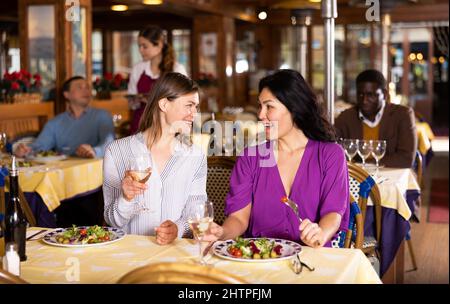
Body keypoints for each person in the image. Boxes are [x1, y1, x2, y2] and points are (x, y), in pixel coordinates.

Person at [204, 69, 349, 248]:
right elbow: (239, 218)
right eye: (260, 106)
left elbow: (334, 213)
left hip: (310, 259)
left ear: (294, 109)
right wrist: (221, 233)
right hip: (259, 260)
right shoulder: (250, 158)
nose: (260, 115)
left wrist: (320, 233)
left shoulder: (330, 155)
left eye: (269, 106)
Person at [103, 72, 206, 245]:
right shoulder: (116, 151)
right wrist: (126, 198)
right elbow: (112, 221)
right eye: (189, 105)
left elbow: (197, 213)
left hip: (174, 254)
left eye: (196, 107)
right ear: (164, 104)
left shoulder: (195, 156)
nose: (194, 114)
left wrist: (177, 229)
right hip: (130, 256)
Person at [15, 76, 115, 158]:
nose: (86, 91)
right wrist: (25, 150)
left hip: (95, 175)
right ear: (67, 95)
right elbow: (40, 146)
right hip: (62, 174)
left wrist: (94, 151)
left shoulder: (102, 116)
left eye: (87, 87)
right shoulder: (54, 123)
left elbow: (109, 144)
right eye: (80, 87)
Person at [335, 69, 417, 168]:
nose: (364, 100)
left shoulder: (403, 115)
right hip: (358, 180)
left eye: (371, 95)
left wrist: (369, 164)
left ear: (385, 94)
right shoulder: (345, 118)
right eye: (360, 94)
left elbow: (406, 159)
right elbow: (333, 152)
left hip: (394, 178)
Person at [127, 25, 187, 135]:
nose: (141, 50)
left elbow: (184, 101)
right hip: (141, 124)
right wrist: (137, 99)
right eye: (139, 46)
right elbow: (131, 103)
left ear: (159, 45)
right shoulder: (138, 68)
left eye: (144, 46)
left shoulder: (177, 69)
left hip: (168, 127)